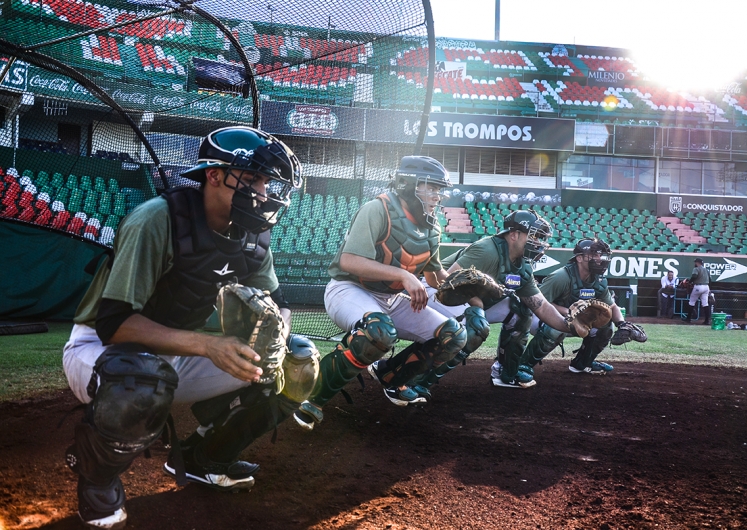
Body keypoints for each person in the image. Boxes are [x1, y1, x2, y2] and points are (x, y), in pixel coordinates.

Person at [61, 126, 307, 530]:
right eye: (254, 178)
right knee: (141, 379)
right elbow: (112, 323)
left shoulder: (253, 234)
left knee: (296, 361)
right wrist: (208, 346)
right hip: (103, 351)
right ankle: (96, 477)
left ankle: (204, 459)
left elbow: (279, 303)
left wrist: (276, 338)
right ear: (214, 175)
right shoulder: (156, 219)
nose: (264, 192)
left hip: (176, 354)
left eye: (267, 181)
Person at [293, 156, 466, 430]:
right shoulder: (378, 209)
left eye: (439, 189)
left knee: (453, 335)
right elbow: (349, 260)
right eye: (431, 187)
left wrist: (462, 285)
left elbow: (434, 277)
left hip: (391, 299)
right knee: (377, 332)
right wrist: (404, 275)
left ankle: (391, 377)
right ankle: (312, 398)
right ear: (409, 184)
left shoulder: (432, 227)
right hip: (349, 289)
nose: (437, 195)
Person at [410, 209, 574, 396]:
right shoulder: (487, 250)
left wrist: (569, 325)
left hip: (470, 300)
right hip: (436, 292)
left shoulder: (523, 266)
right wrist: (477, 304)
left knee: (520, 310)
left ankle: (505, 372)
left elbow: (541, 306)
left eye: (539, 238)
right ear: (514, 235)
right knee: (476, 326)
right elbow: (449, 282)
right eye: (534, 236)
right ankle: (417, 381)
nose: (538, 242)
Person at [521, 238, 626, 375]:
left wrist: (622, 324)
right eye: (593, 254)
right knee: (557, 328)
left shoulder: (599, 280)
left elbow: (612, 306)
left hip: (575, 322)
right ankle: (523, 365)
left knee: (606, 326)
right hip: (541, 318)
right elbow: (537, 303)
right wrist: (569, 312)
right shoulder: (561, 277)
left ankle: (582, 363)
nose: (599, 258)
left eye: (600, 255)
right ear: (579, 258)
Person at [682, 257, 711, 325]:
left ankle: (688, 319)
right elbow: (710, 279)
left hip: (698, 286)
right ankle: (707, 320)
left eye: (695, 262)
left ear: (698, 263)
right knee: (705, 304)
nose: (695, 263)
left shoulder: (696, 268)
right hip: (706, 286)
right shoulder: (706, 269)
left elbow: (694, 276)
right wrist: (709, 288)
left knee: (691, 302)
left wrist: (690, 281)